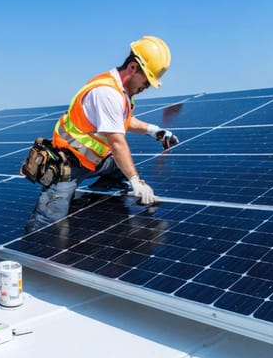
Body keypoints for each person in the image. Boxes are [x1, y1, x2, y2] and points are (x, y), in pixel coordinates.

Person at [24, 36, 178, 232]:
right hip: (69, 165)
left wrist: (154, 130)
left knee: (119, 164)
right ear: (132, 68)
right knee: (49, 223)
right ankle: (32, 250)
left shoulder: (119, 91)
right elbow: (117, 143)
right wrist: (136, 182)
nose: (146, 87)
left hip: (94, 161)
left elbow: (121, 121)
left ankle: (98, 196)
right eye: (147, 80)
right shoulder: (107, 93)